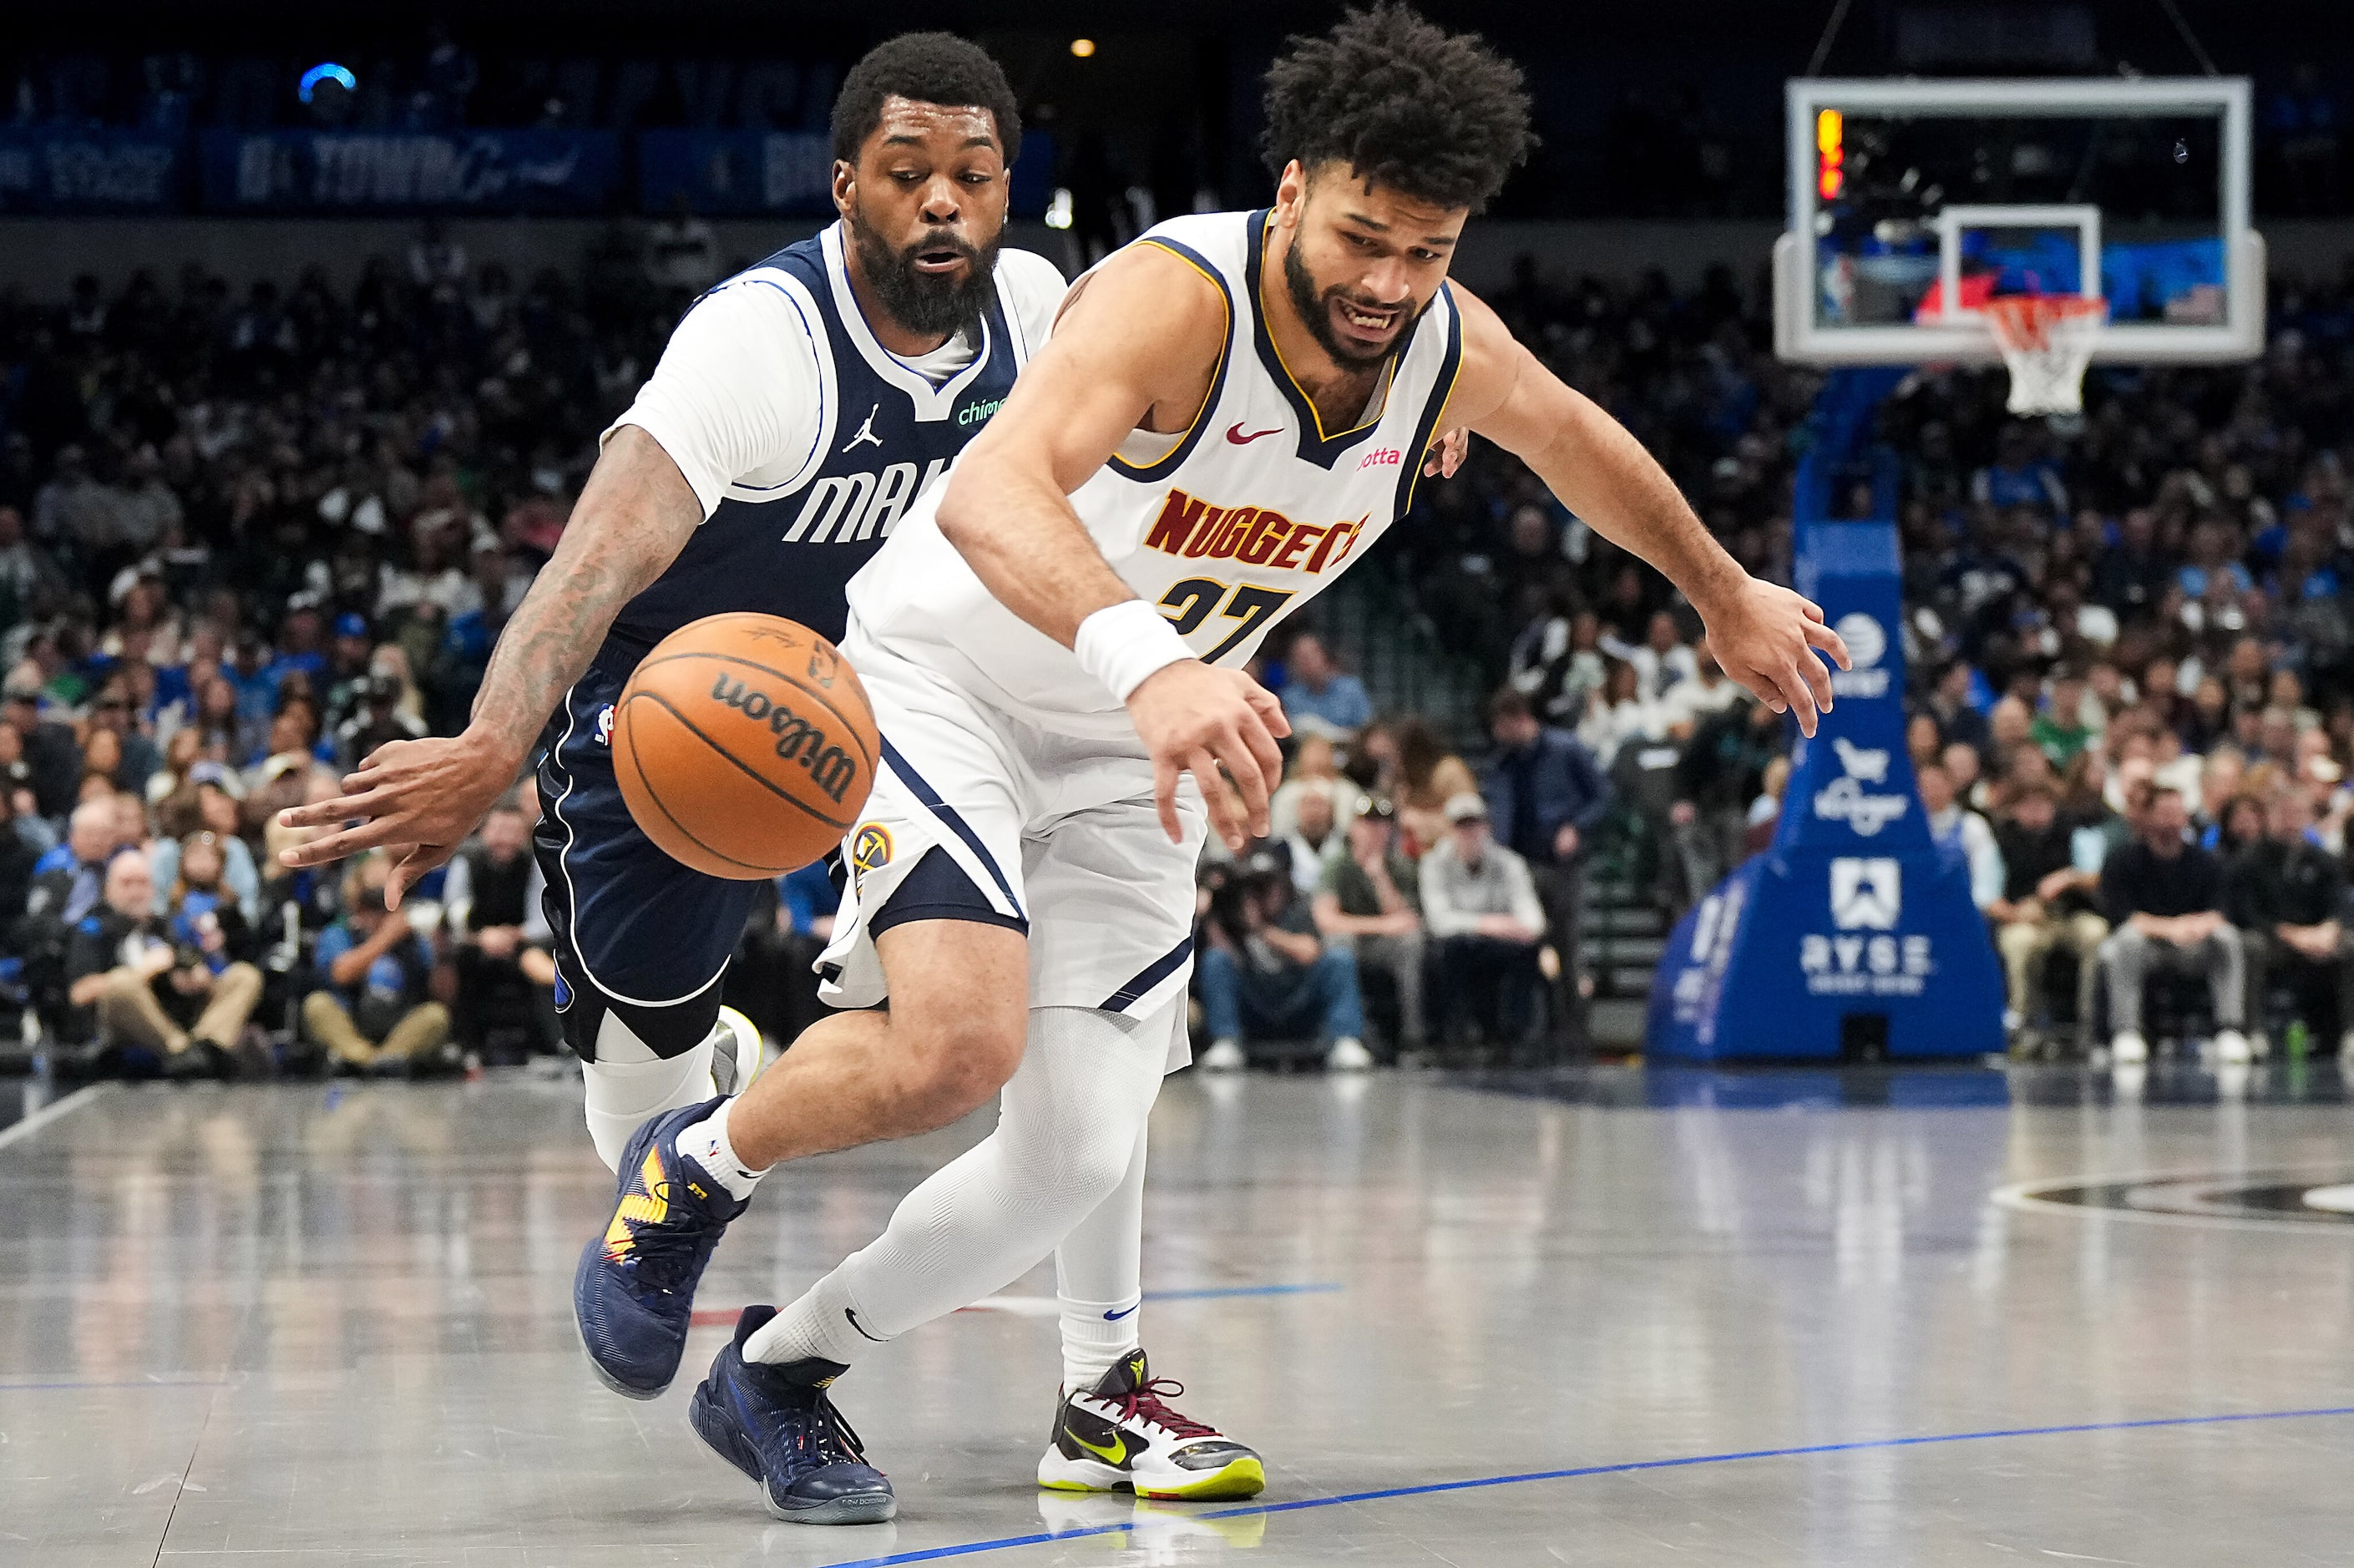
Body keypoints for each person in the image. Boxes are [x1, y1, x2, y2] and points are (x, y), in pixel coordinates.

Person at [559, 6, 1844, 1522]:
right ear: (1293, 189)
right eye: (1360, 237)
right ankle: (688, 1172)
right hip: (948, 683)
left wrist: (1714, 587)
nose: (1384, 283)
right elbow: (985, 495)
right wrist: (1154, 663)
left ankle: (780, 1371)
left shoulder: (1436, 345)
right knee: (955, 1046)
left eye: (1423, 253)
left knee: (1072, 1156)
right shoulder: (1176, 297)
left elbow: (1573, 441)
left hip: (1133, 751)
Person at [280, 35, 1070, 1171]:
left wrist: (1426, 361)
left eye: (972, 175)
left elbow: (1191, 332)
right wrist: (490, 744)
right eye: (905, 173)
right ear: (845, 184)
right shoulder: (758, 343)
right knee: (634, 1126)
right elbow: (589, 567)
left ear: (1005, 187)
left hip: (907, 688)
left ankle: (880, 957)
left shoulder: (1035, 306)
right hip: (684, 703)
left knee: (972, 1031)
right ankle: (703, 1074)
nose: (941, 202)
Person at [1481, 687, 1610, 1047]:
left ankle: (1573, 1031)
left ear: (1521, 720)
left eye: (1503, 726)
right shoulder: (1502, 764)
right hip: (1519, 866)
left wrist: (1576, 827)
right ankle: (1530, 1029)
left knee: (1567, 945)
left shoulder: (1565, 749)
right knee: (1524, 945)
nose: (1497, 734)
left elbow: (1603, 795)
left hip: (1561, 864)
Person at [64, 849, 259, 1079]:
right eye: (127, 884)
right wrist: (144, 971)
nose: (136, 892)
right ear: (108, 890)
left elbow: (189, 966)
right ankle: (181, 1051)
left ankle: (207, 1046)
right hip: (121, 1024)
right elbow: (79, 993)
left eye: (143, 883)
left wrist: (195, 979)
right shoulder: (94, 928)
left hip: (178, 1013)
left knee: (243, 975)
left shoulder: (166, 926)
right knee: (120, 983)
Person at [2096, 787, 2250, 1065]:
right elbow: (2122, 914)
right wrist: (2170, 928)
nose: (2171, 820)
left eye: (2177, 813)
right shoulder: (2123, 860)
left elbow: (2220, 910)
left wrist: (2193, 927)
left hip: (2194, 946)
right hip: (2148, 947)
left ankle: (2230, 1028)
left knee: (2227, 938)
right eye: (2164, 812)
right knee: (2124, 942)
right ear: (2148, 817)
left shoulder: (2206, 861)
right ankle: (2127, 1031)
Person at [1195, 848, 1369, 1071]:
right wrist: (1212, 917)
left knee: (1339, 960)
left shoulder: (1298, 907)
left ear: (1283, 885)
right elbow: (1227, 961)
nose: (1262, 894)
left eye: (1268, 885)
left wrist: (1260, 929)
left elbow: (1309, 952)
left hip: (1297, 995)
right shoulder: (1233, 912)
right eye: (1255, 887)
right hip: (1256, 997)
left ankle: (1346, 1040)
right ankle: (1226, 1041)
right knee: (1215, 960)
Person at [2225, 787, 2354, 1054]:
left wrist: (2330, 929)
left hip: (2317, 937)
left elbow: (2339, 902)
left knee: (2349, 945)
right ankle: (2252, 1032)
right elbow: (2245, 912)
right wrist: (2289, 933)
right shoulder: (2249, 860)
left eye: (2298, 813)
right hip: (2273, 938)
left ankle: (2348, 1032)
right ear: (2269, 817)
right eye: (2284, 813)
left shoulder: (2323, 860)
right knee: (2250, 946)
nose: (2291, 820)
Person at [1419, 792, 1547, 1050]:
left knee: (1527, 951)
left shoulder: (1510, 863)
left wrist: (1506, 929)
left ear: (1487, 827)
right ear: (1450, 830)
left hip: (1500, 944)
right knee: (1449, 950)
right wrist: (1489, 924)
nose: (1469, 833)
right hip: (1458, 945)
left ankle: (1516, 1037)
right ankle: (1452, 1035)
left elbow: (1534, 922)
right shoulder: (1433, 864)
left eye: (1474, 824)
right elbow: (1439, 921)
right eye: (1461, 826)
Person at [303, 852, 449, 1075]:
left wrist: (442, 952)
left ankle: (378, 1061)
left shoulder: (412, 938)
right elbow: (341, 973)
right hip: (353, 1021)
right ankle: (370, 1060)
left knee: (436, 1015)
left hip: (399, 1024)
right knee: (317, 1005)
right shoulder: (339, 932)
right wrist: (385, 937)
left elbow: (441, 993)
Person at [1988, 782, 2108, 1051]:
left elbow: (2095, 876)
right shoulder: (2000, 839)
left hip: (2069, 915)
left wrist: (2068, 878)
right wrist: (2015, 912)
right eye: (2028, 805)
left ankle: (2090, 1024)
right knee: (2021, 944)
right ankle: (2022, 1024)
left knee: (2096, 933)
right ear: (2014, 810)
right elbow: (1987, 897)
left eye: (2043, 805)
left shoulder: (2072, 832)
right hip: (2023, 918)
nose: (2036, 812)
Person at [444, 791, 558, 1063]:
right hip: (475, 942)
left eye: (512, 830)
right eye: (498, 830)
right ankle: (464, 1044)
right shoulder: (466, 862)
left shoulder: (534, 864)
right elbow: (454, 915)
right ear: (484, 832)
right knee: (456, 960)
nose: (504, 838)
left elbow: (542, 920)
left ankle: (549, 1043)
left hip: (519, 943)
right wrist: (481, 937)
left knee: (540, 959)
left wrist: (513, 935)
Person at [1311, 794, 1425, 1054]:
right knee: (1340, 944)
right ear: (1354, 827)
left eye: (1383, 824)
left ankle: (1413, 1035)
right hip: (1352, 941)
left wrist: (1379, 877)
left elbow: (1406, 921)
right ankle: (1347, 1036)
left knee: (1411, 943)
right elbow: (1326, 920)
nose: (1375, 831)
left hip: (1381, 946)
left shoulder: (1400, 867)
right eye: (1368, 823)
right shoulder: (1337, 864)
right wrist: (1382, 926)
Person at [1277, 630, 1371, 739]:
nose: (1307, 661)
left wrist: (1333, 734)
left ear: (1324, 655)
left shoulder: (1351, 688)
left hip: (1347, 751)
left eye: (1312, 654)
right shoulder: (1288, 697)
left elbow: (1367, 732)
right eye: (1301, 657)